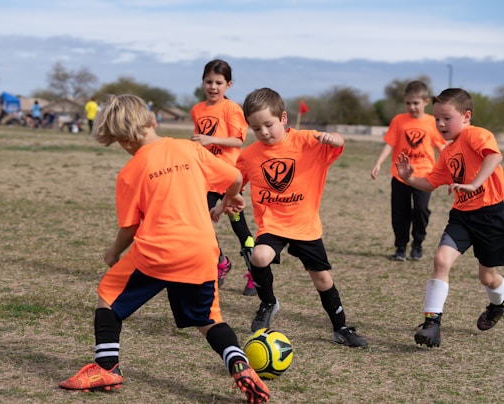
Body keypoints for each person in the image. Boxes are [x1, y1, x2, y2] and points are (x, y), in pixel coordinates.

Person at [58, 94, 270, 403]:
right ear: (152, 120)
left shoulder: (131, 172)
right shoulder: (190, 148)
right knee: (208, 320)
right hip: (201, 251)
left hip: (156, 254)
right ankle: (238, 362)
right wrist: (228, 200)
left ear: (122, 140)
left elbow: (130, 228)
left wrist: (112, 253)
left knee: (108, 295)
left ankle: (106, 367)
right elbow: (235, 177)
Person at [215, 87, 367, 348]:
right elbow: (236, 184)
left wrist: (335, 139)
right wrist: (223, 205)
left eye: (269, 125)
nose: (264, 132)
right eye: (256, 128)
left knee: (323, 280)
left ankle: (340, 328)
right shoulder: (250, 155)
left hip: (305, 225)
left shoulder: (307, 141)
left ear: (283, 118)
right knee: (258, 256)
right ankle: (268, 302)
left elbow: (338, 141)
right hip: (273, 224)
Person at [395, 88, 504, 348]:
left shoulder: (476, 134)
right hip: (462, 217)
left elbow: (495, 156)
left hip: (491, 215)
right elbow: (432, 182)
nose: (441, 124)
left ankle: (498, 304)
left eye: (447, 118)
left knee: (488, 278)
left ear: (466, 116)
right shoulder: (447, 152)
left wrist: (474, 183)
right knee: (441, 260)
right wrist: (409, 177)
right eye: (437, 119)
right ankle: (432, 325)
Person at [190, 59, 257, 296]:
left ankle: (254, 275)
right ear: (203, 82)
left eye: (219, 82)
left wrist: (211, 140)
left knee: (239, 226)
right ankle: (220, 262)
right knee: (203, 223)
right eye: (209, 81)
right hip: (206, 178)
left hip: (230, 178)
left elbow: (238, 140)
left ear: (228, 84)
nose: (213, 87)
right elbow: (200, 142)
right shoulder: (197, 110)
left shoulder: (232, 109)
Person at [371, 81, 446, 261]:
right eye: (408, 103)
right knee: (400, 213)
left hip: (424, 176)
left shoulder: (432, 122)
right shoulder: (398, 120)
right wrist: (379, 163)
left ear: (426, 102)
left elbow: (442, 148)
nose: (412, 107)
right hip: (400, 176)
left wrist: (452, 168)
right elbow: (390, 143)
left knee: (421, 211)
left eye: (416, 103)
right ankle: (400, 247)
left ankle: (418, 244)